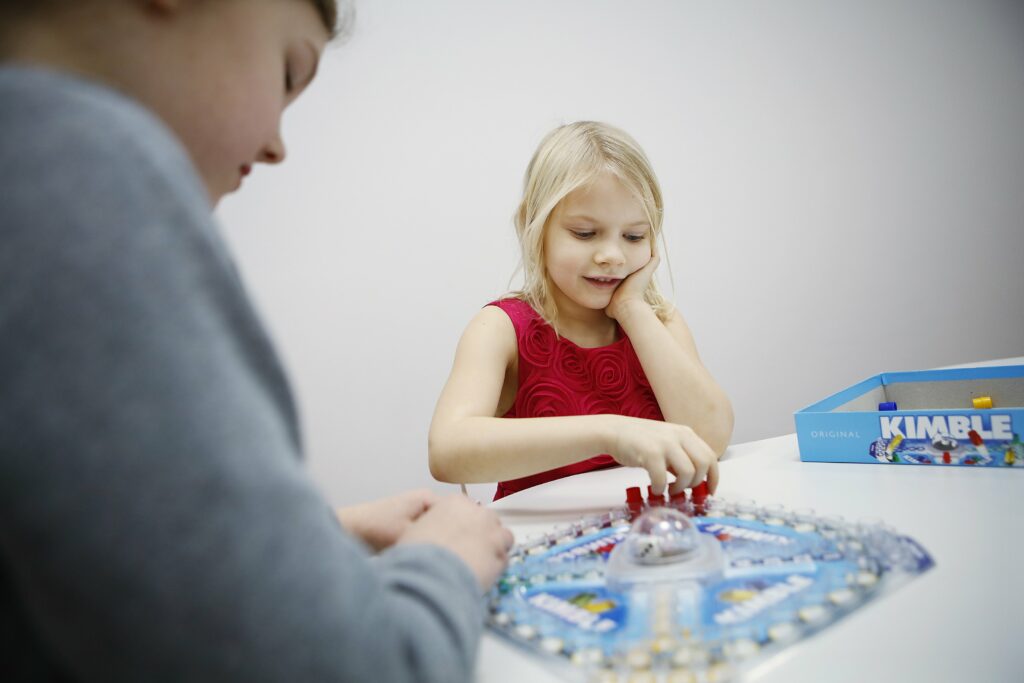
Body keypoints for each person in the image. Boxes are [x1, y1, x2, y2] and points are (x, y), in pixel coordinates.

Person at [0, 1, 512, 681]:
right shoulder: (75, 172)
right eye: (286, 72)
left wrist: (329, 529)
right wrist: (445, 558)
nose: (277, 143)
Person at [429, 121, 734, 500]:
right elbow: (447, 451)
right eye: (585, 234)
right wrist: (610, 432)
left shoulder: (660, 321)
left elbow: (712, 437)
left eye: (634, 236)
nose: (612, 255)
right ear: (532, 226)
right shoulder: (501, 328)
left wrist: (632, 309)